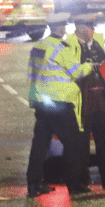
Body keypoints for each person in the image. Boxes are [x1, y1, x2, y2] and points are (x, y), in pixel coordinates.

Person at [25, 12, 92, 197]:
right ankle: (76, 185)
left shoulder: (38, 46)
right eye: (64, 26)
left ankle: (34, 184)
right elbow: (77, 72)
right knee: (74, 144)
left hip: (41, 102)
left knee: (40, 144)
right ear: (61, 28)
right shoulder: (60, 49)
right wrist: (90, 65)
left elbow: (33, 73)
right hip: (59, 103)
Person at [68, 13, 105, 190]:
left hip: (100, 100)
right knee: (80, 144)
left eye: (92, 28)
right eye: (89, 28)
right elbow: (71, 73)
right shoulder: (69, 46)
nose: (92, 31)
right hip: (82, 102)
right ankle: (80, 182)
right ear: (79, 28)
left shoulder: (97, 45)